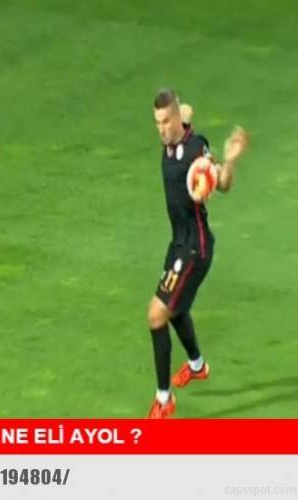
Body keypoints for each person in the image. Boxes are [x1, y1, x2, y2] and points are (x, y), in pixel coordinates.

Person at [147, 88, 248, 418]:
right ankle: (197, 366)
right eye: (157, 122)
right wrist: (179, 112)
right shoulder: (174, 132)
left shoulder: (196, 154)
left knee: (157, 315)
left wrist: (230, 159)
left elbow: (223, 184)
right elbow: (186, 109)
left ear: (175, 118)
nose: (161, 129)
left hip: (195, 247)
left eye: (166, 121)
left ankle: (164, 400)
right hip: (178, 243)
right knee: (177, 309)